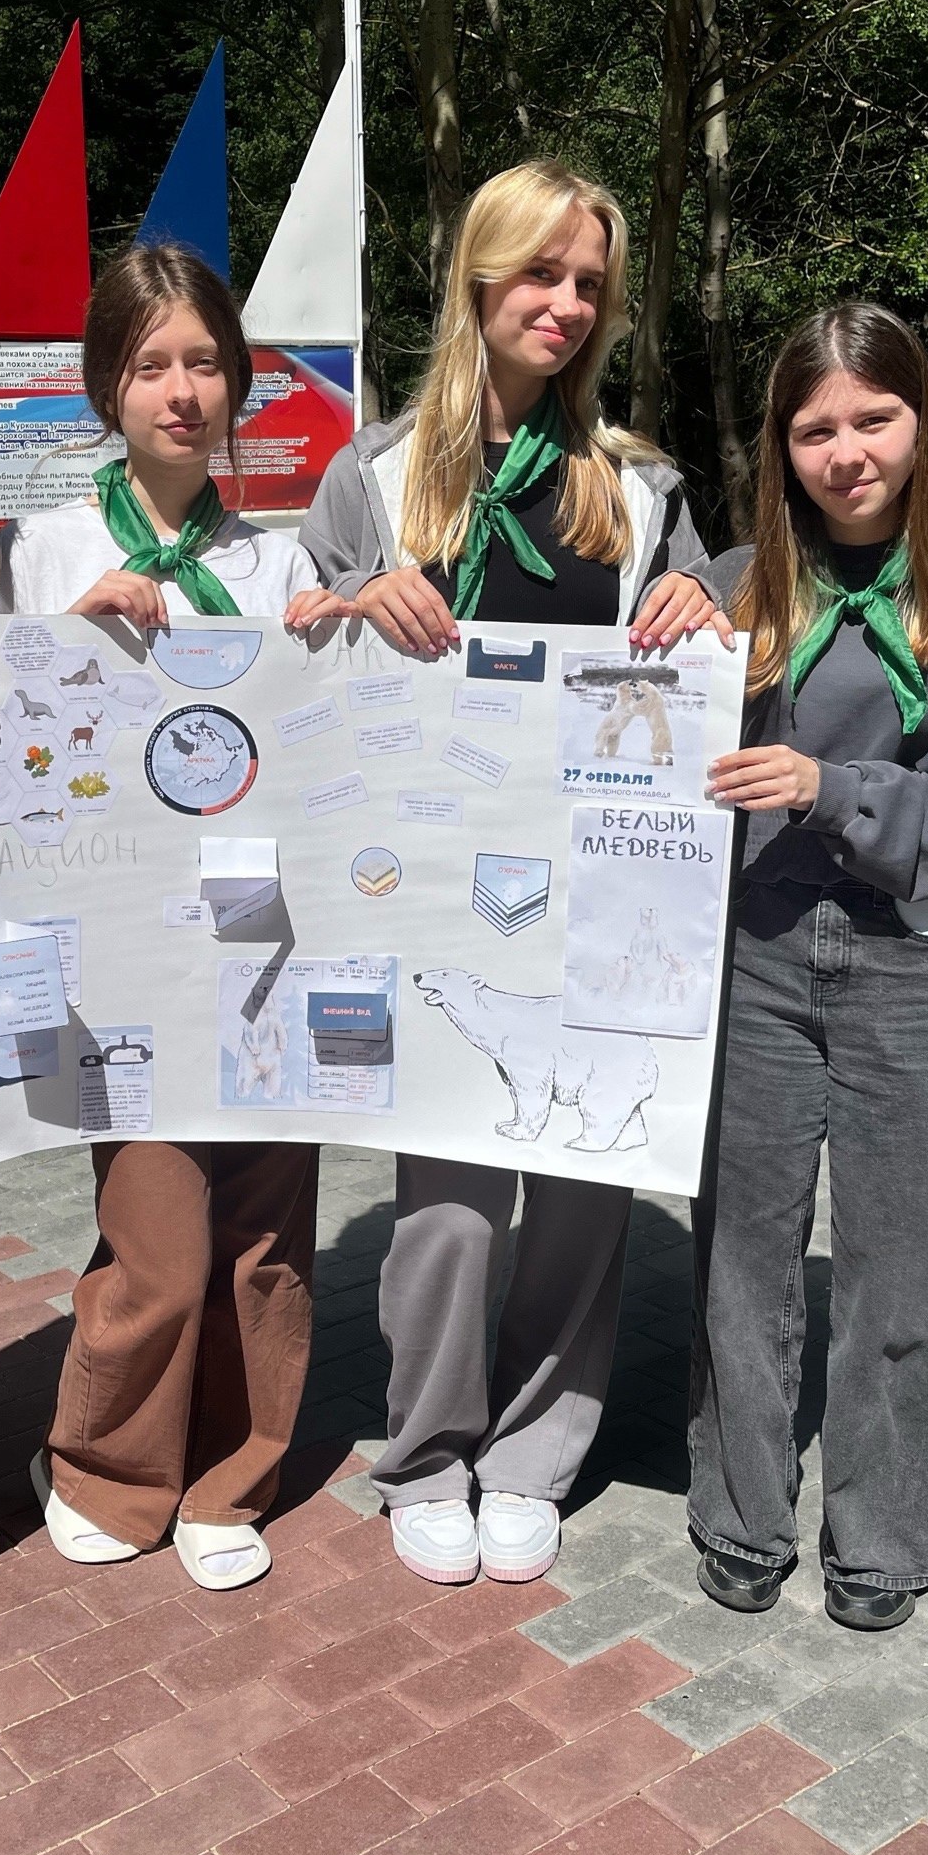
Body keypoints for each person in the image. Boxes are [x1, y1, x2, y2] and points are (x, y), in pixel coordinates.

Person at [300, 160, 722, 1586]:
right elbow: (293, 661)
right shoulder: (373, 477)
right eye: (540, 273)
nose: (566, 303)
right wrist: (343, 601)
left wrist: (704, 595)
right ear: (477, 280)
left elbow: (717, 631)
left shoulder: (637, 488)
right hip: (429, 895)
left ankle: (536, 1452)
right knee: (447, 1200)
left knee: (586, 1183)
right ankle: (426, 1453)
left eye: (589, 282)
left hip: (598, 893)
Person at [692, 301, 928, 1632]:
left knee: (902, 1268)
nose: (847, 453)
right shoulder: (730, 589)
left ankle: (883, 1533)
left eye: (874, 419)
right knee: (742, 1255)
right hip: (755, 956)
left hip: (912, 962)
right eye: (814, 430)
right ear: (780, 447)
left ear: (922, 423)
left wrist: (827, 786)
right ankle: (739, 1511)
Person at [0, 243, 344, 1591]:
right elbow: (9, 740)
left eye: (204, 363)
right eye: (151, 366)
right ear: (109, 386)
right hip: (120, 935)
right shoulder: (46, 548)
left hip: (258, 927)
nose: (181, 392)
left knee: (263, 1232)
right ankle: (105, 1464)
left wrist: (334, 645)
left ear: (239, 383)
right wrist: (67, 637)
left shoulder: (276, 557)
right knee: (156, 1233)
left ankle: (233, 1474)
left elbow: (318, 751)